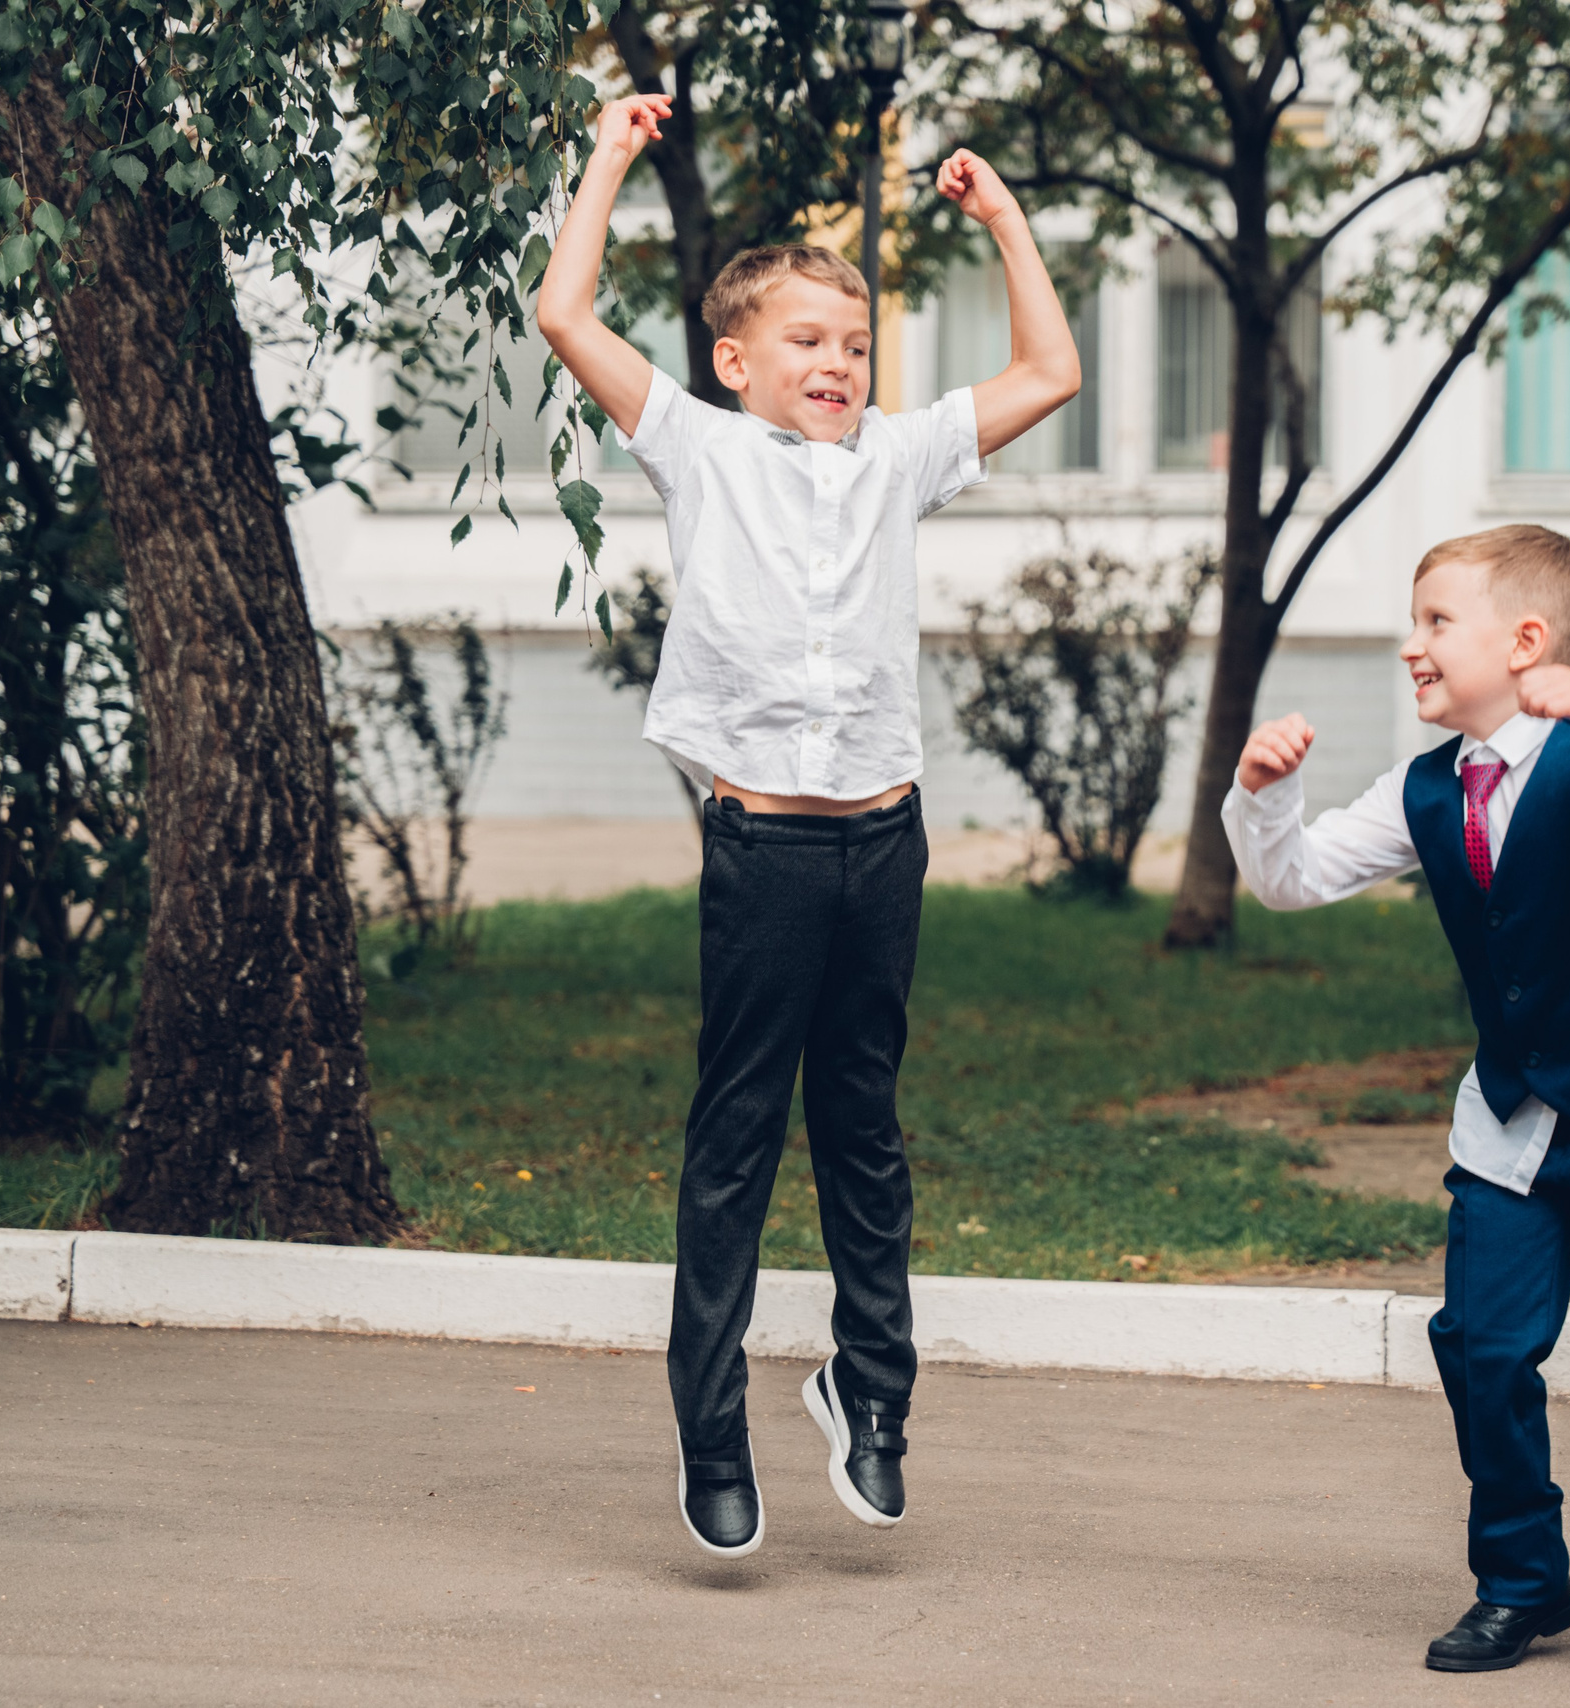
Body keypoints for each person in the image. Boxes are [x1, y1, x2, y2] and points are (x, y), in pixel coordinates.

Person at [536, 94, 1081, 1559]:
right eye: (806, 343)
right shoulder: (695, 448)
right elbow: (563, 309)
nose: (836, 364)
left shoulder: (900, 458)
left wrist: (1004, 220)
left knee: (864, 1132)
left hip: (883, 846)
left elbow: (1052, 367)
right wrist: (607, 159)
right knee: (735, 1145)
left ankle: (871, 1395)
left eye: (853, 344)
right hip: (766, 852)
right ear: (736, 361)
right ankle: (712, 1437)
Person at [1224, 525, 1570, 1693]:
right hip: (1517, 1108)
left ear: (1525, 642)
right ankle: (1521, 1581)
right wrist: (1266, 797)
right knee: (1482, 1344)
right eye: (1413, 622)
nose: (1411, 646)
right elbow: (1290, 877)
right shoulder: (1425, 790)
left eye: (1434, 623)